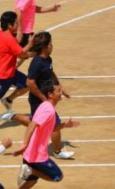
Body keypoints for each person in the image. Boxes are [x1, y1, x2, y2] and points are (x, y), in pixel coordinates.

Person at [4, 80, 78, 189]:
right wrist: (24, 145)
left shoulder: (45, 105)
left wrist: (64, 125)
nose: (61, 93)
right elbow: (32, 125)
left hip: (30, 153)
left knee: (30, 181)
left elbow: (51, 128)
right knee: (57, 176)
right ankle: (31, 170)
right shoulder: (48, 110)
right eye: (58, 91)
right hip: (37, 155)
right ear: (50, 94)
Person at [7, 31, 75, 160]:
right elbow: (30, 82)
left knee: (36, 122)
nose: (52, 46)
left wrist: (60, 87)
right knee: (54, 124)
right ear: (45, 47)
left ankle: (13, 116)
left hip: (45, 98)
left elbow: (51, 72)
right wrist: (44, 99)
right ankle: (57, 151)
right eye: (50, 44)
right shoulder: (37, 62)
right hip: (38, 100)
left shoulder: (47, 59)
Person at [0, 11, 34, 115]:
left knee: (28, 84)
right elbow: (21, 53)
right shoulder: (11, 40)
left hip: (12, 72)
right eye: (16, 23)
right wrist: (30, 44)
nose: (18, 25)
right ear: (9, 25)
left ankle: (8, 100)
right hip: (3, 76)